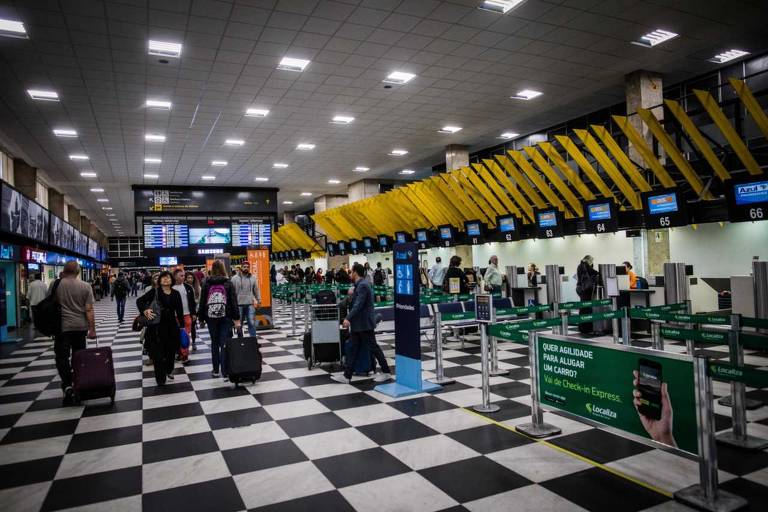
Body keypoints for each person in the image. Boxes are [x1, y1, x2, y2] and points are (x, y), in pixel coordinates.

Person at [53, 261, 97, 405]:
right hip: (80, 327)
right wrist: (92, 329)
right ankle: (77, 382)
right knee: (78, 356)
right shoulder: (85, 286)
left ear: (64, 271)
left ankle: (67, 385)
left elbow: (50, 305)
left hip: (61, 327)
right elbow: (89, 309)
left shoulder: (55, 285)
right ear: (78, 272)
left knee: (62, 357)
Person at [342, 263, 392, 383]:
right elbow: (355, 302)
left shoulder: (363, 285)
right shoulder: (359, 285)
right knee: (354, 349)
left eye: (351, 272)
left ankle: (386, 372)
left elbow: (358, 305)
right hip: (358, 324)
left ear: (355, 272)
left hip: (364, 324)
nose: (350, 274)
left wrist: (348, 318)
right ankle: (347, 376)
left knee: (373, 348)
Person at [137, 270, 184, 385]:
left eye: (168, 277)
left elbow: (180, 311)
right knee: (158, 355)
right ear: (159, 280)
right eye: (163, 277)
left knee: (170, 353)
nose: (165, 279)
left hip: (171, 327)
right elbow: (140, 301)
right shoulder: (155, 291)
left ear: (172, 280)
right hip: (156, 328)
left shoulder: (176, 293)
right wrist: (145, 310)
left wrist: (182, 327)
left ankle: (169, 369)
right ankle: (160, 379)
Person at [198, 260, 240, 378]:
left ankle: (215, 370)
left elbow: (202, 301)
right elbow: (233, 302)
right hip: (225, 316)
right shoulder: (228, 283)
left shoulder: (206, 283)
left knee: (214, 343)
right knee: (224, 343)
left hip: (211, 317)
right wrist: (236, 318)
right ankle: (225, 371)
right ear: (223, 269)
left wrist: (201, 317)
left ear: (212, 269)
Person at [173, 269, 197, 362]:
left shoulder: (188, 287)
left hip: (187, 315)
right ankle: (179, 353)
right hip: (174, 316)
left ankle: (184, 355)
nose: (184, 277)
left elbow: (192, 302)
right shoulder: (171, 287)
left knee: (185, 335)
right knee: (176, 336)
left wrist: (193, 313)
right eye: (181, 275)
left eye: (184, 275)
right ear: (175, 277)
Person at [231, 262, 261, 338]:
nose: (246, 268)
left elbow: (256, 290)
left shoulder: (253, 278)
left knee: (251, 323)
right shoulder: (234, 278)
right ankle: (240, 340)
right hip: (238, 305)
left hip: (250, 304)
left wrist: (259, 300)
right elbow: (231, 292)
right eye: (244, 267)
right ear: (241, 267)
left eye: (247, 267)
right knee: (239, 324)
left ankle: (253, 340)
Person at [576, 255, 600, 335]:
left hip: (581, 288)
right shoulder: (584, 265)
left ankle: (583, 327)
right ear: (588, 260)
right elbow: (592, 272)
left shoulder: (581, 265)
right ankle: (586, 328)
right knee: (586, 308)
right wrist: (600, 273)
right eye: (591, 261)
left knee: (583, 307)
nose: (592, 263)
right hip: (585, 289)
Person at [185, 271, 201, 350]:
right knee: (185, 328)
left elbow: (199, 299)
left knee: (193, 327)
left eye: (191, 278)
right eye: (188, 278)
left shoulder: (197, 287)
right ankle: (186, 343)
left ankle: (194, 342)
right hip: (185, 310)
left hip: (194, 310)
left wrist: (196, 309)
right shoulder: (184, 287)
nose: (190, 279)